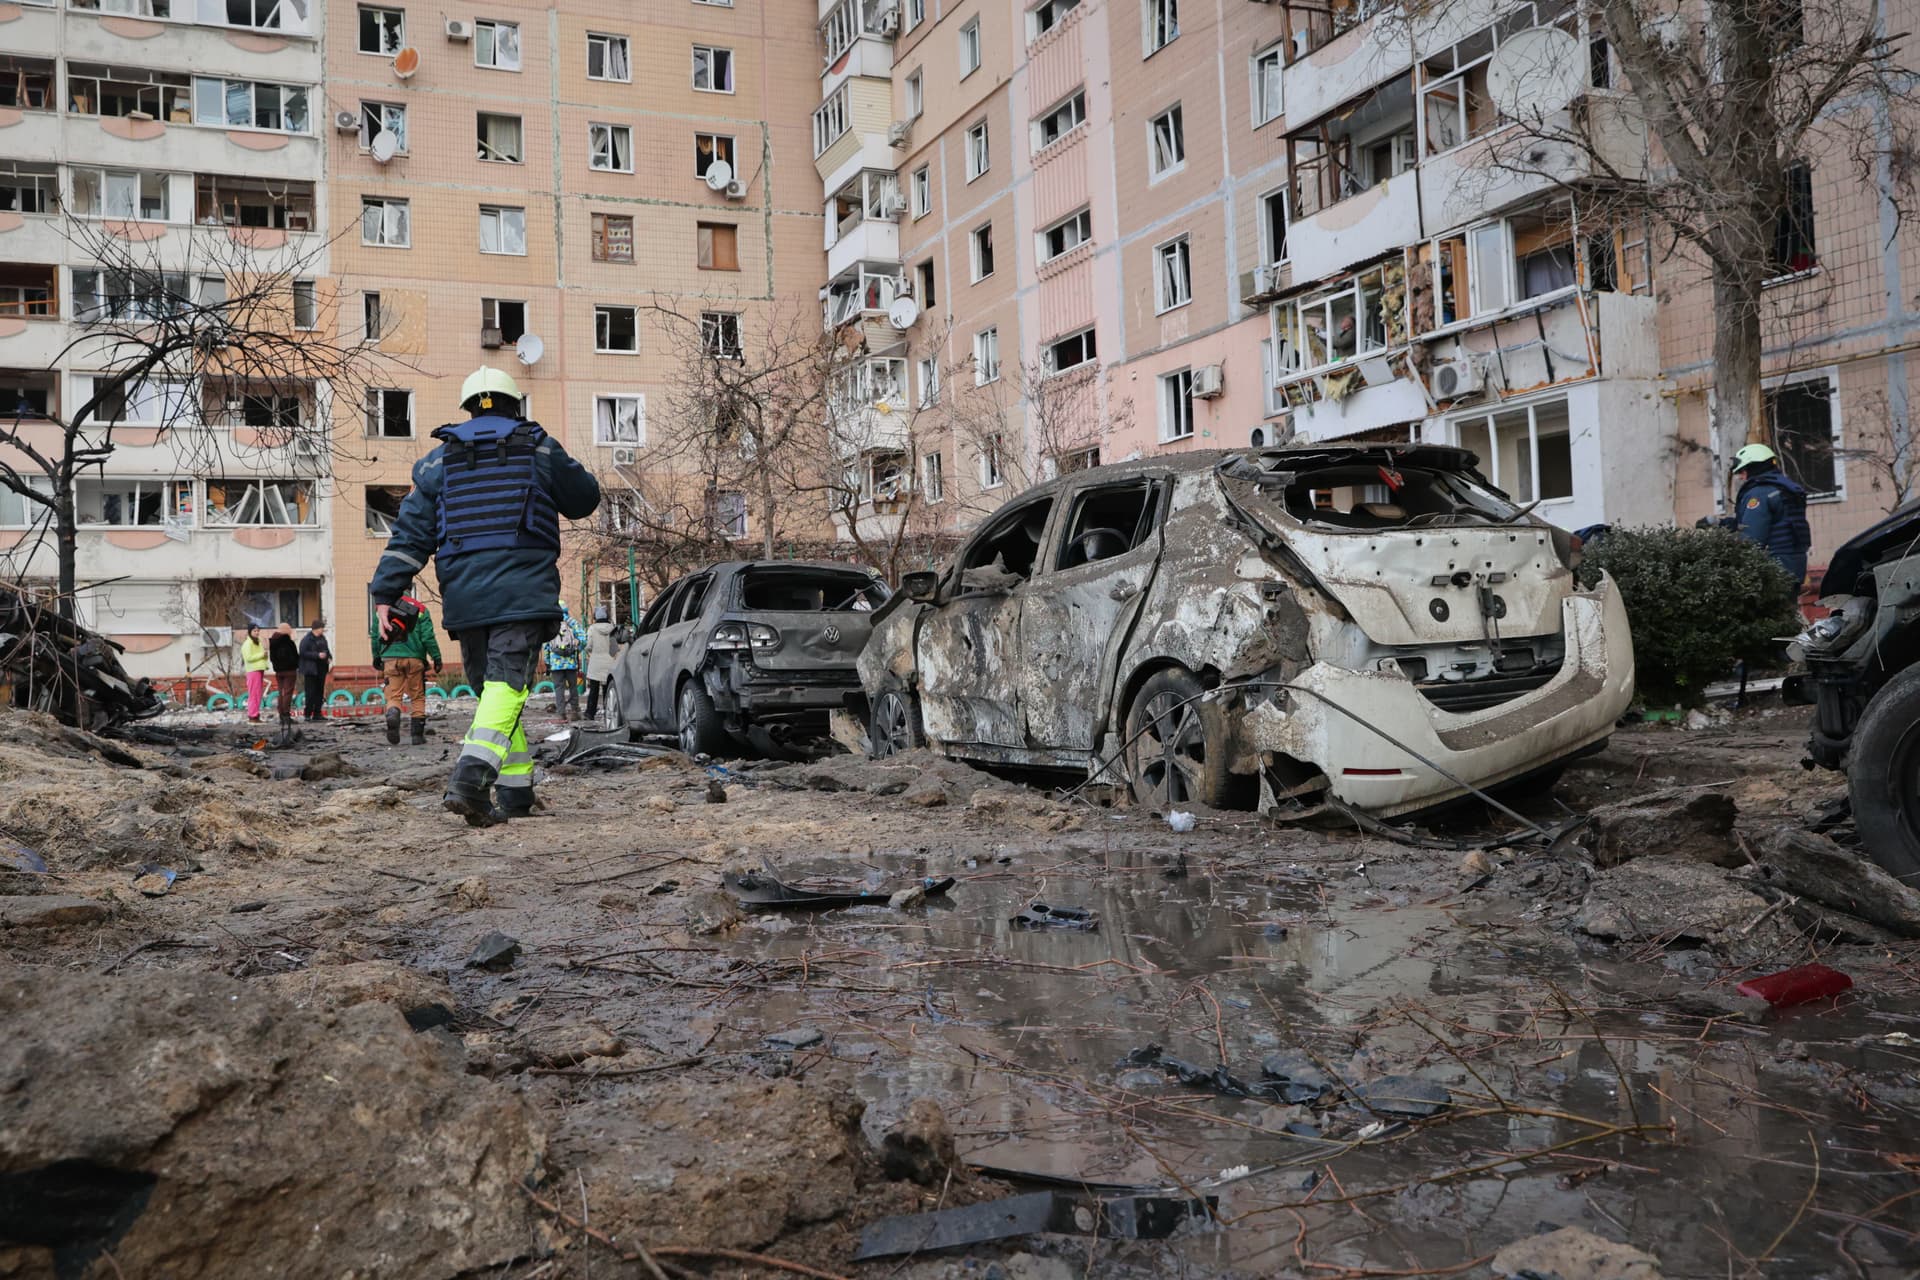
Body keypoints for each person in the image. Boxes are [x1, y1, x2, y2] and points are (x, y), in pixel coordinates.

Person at [366, 365, 600, 825]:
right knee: (507, 686)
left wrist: (385, 593)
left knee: (494, 691)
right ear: (516, 404)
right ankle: (470, 782)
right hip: (523, 589)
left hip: (465, 595)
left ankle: (515, 794)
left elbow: (410, 534)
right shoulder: (538, 447)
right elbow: (584, 500)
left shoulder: (437, 463)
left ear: (468, 407)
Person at [1724, 443, 1813, 588]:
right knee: (1787, 610)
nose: (1741, 477)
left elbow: (1751, 538)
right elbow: (1777, 523)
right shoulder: (1786, 489)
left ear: (1755, 467)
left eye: (1743, 471)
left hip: (1773, 570)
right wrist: (1726, 524)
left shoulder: (1759, 493)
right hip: (1795, 566)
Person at [371, 595, 444, 745]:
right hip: (414, 658)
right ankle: (417, 736)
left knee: (394, 695)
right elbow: (428, 637)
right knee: (417, 696)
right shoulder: (421, 609)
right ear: (410, 590)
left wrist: (377, 656)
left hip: (390, 657)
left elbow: (375, 635)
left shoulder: (382, 609)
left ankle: (393, 713)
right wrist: (436, 657)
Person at [543, 601, 586, 720]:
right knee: (573, 687)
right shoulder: (571, 622)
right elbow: (583, 638)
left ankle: (561, 714)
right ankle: (574, 712)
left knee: (559, 688)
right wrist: (577, 649)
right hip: (571, 661)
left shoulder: (551, 624)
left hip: (556, 663)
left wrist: (547, 661)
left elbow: (546, 645)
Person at [584, 605, 622, 722]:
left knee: (594, 689)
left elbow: (589, 645)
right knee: (608, 688)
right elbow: (615, 648)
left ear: (596, 617)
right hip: (609, 662)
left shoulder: (592, 629)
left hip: (595, 662)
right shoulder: (612, 629)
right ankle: (608, 711)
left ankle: (590, 713)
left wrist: (589, 650)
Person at [268, 622, 300, 735]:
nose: (291, 630)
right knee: (287, 693)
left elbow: (272, 657)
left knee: (281, 692)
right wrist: (296, 663)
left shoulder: (273, 642)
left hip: (278, 671)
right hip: (289, 671)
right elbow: (294, 657)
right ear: (286, 630)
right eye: (289, 629)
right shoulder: (288, 642)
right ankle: (286, 715)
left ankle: (281, 714)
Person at [298, 621, 332, 721]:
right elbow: (303, 653)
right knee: (310, 692)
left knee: (319, 692)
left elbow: (326, 649)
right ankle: (307, 714)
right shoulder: (307, 639)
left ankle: (317, 713)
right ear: (316, 628)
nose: (323, 630)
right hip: (311, 669)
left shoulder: (322, 638)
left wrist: (329, 657)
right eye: (322, 628)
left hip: (321, 668)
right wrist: (317, 655)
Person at [239, 624, 269, 722]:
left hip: (259, 669)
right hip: (253, 670)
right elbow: (248, 658)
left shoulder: (257, 642)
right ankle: (252, 716)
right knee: (253, 694)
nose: (257, 632)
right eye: (254, 631)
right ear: (250, 632)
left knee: (258, 694)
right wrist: (261, 655)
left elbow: (260, 655)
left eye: (258, 631)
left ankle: (256, 714)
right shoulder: (248, 644)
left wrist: (265, 657)